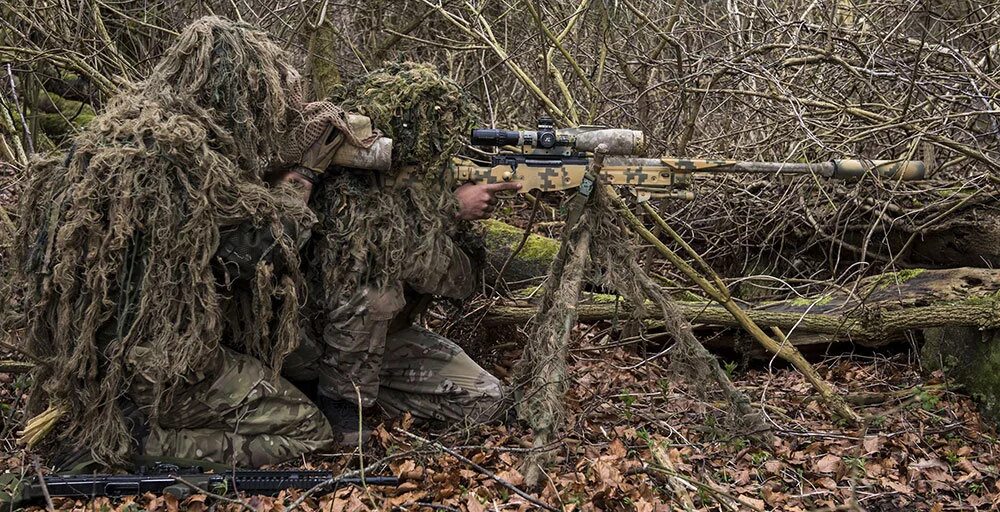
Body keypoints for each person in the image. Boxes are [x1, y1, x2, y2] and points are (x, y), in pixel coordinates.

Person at [7, 17, 365, 468]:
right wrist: (301, 178)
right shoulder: (182, 161)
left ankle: (121, 418)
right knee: (308, 429)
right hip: (161, 364)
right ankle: (130, 445)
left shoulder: (123, 138)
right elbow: (250, 255)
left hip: (96, 361)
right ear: (236, 94)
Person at [285, 62, 519, 444]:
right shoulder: (350, 195)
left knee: (487, 400)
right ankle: (339, 408)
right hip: (309, 345)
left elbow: (458, 279)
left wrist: (445, 209)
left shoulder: (408, 191)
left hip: (378, 348)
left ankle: (344, 393)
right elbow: (445, 275)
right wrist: (451, 210)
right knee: (373, 292)